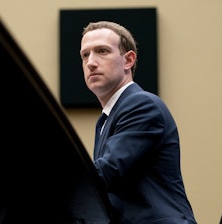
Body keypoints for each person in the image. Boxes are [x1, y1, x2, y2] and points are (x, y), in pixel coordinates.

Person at [80, 21, 197, 224]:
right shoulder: (106, 119)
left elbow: (107, 172)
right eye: (85, 55)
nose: (91, 62)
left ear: (129, 60)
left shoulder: (141, 104)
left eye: (102, 51)